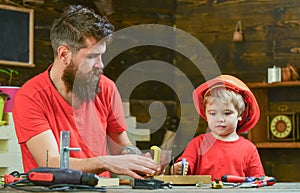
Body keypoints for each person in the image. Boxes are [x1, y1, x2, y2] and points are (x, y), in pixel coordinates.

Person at [12, 5, 160, 179]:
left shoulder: (106, 88)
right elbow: (51, 162)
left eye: (101, 55)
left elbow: (121, 146)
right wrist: (104, 162)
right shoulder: (30, 96)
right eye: (91, 56)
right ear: (64, 54)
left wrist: (139, 160)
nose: (100, 64)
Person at [170, 75, 265, 180]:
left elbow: (259, 180)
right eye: (213, 113)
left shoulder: (249, 149)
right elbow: (184, 168)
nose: (220, 119)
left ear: (240, 115)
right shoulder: (198, 143)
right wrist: (178, 169)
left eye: (227, 113)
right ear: (206, 114)